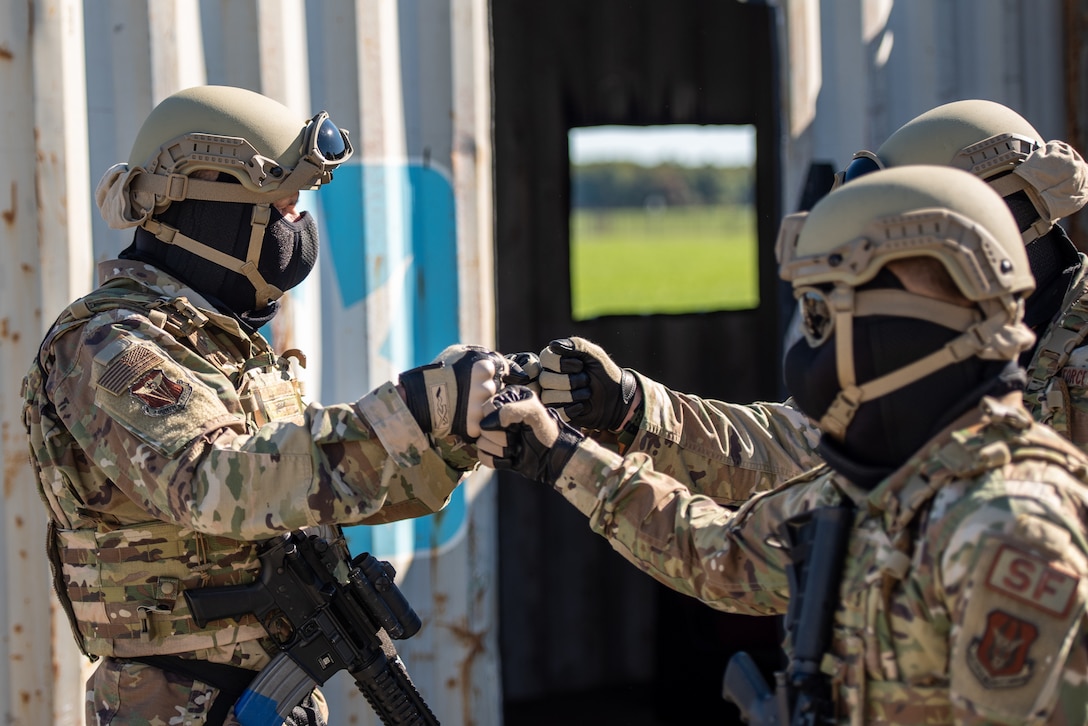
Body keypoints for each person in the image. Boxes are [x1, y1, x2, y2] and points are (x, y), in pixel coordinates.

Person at [478, 165, 1088, 723]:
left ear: (904, 330)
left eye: (823, 318)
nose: (807, 352)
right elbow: (722, 558)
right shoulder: (879, 485)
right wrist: (559, 454)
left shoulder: (1013, 526)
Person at [22, 85, 517, 726]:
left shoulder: (227, 345)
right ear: (207, 211)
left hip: (261, 697)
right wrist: (405, 416)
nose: (298, 229)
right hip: (174, 701)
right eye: (281, 208)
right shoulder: (109, 342)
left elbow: (312, 490)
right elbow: (211, 482)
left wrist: (451, 434)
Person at [530, 99, 1088, 512]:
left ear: (991, 222)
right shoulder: (922, 343)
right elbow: (790, 450)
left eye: (914, 235)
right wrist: (629, 405)